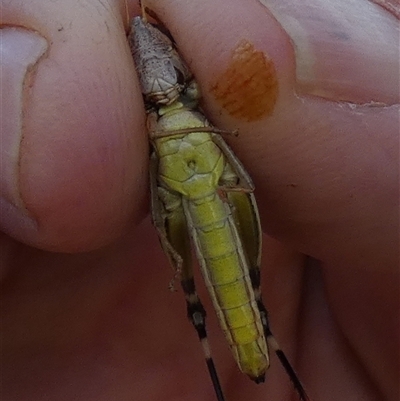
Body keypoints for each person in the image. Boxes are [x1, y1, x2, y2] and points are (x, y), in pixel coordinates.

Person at [1, 0, 398, 400]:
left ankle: (267, 333)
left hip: (218, 190)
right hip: (184, 194)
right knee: (194, 295)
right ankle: (228, 345)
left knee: (251, 279)